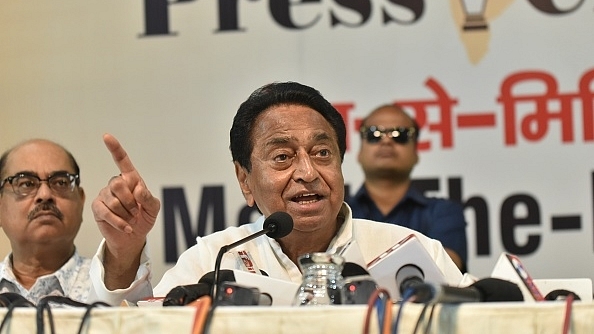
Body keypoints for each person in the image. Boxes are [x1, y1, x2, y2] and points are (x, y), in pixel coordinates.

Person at [89, 82, 464, 305]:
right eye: (282, 156)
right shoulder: (214, 262)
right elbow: (133, 324)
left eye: (322, 153)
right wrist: (124, 251)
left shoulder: (411, 252)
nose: (307, 173)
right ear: (245, 180)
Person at [347, 104, 468, 271]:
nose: (387, 141)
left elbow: (447, 272)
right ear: (359, 153)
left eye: (400, 135)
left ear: (416, 154)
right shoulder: (337, 213)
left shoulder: (443, 212)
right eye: (374, 134)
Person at [0, 139, 90, 304]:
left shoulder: (114, 289)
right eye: (26, 183)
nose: (45, 194)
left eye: (61, 182)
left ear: (81, 201)